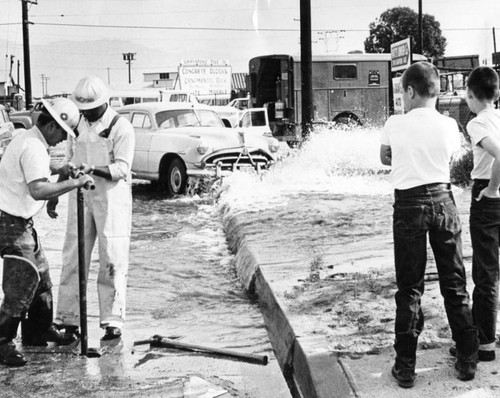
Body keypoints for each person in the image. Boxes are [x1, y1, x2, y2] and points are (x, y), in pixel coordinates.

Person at [379, 61, 479, 388]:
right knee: (454, 280)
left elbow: (385, 157)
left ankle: (405, 366)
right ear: (435, 91)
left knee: (409, 287)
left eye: (402, 94)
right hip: (443, 200)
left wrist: (406, 154)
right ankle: (467, 358)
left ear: (409, 91)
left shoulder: (395, 122)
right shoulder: (450, 125)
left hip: (408, 205)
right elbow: (450, 157)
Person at [0, 98, 95, 367]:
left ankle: (37, 331)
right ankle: (2, 341)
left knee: (41, 276)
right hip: (9, 223)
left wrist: (60, 169)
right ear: (52, 125)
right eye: (63, 133)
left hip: (17, 221)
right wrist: (74, 182)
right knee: (23, 282)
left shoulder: (29, 138)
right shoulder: (33, 147)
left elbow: (38, 169)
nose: (62, 141)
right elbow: (38, 189)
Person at [49, 76, 135, 341]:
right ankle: (69, 319)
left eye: (91, 108)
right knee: (73, 254)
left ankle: (112, 320)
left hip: (112, 198)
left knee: (112, 256)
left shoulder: (120, 127)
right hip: (81, 195)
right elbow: (69, 160)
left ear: (104, 102)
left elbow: (122, 168)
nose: (86, 113)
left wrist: (93, 169)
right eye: (82, 109)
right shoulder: (76, 126)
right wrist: (55, 194)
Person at [464, 66, 500, 362]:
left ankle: (486, 343)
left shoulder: (477, 123)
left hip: (488, 198)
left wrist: (491, 189)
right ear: (497, 93)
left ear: (471, 96)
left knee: (486, 273)